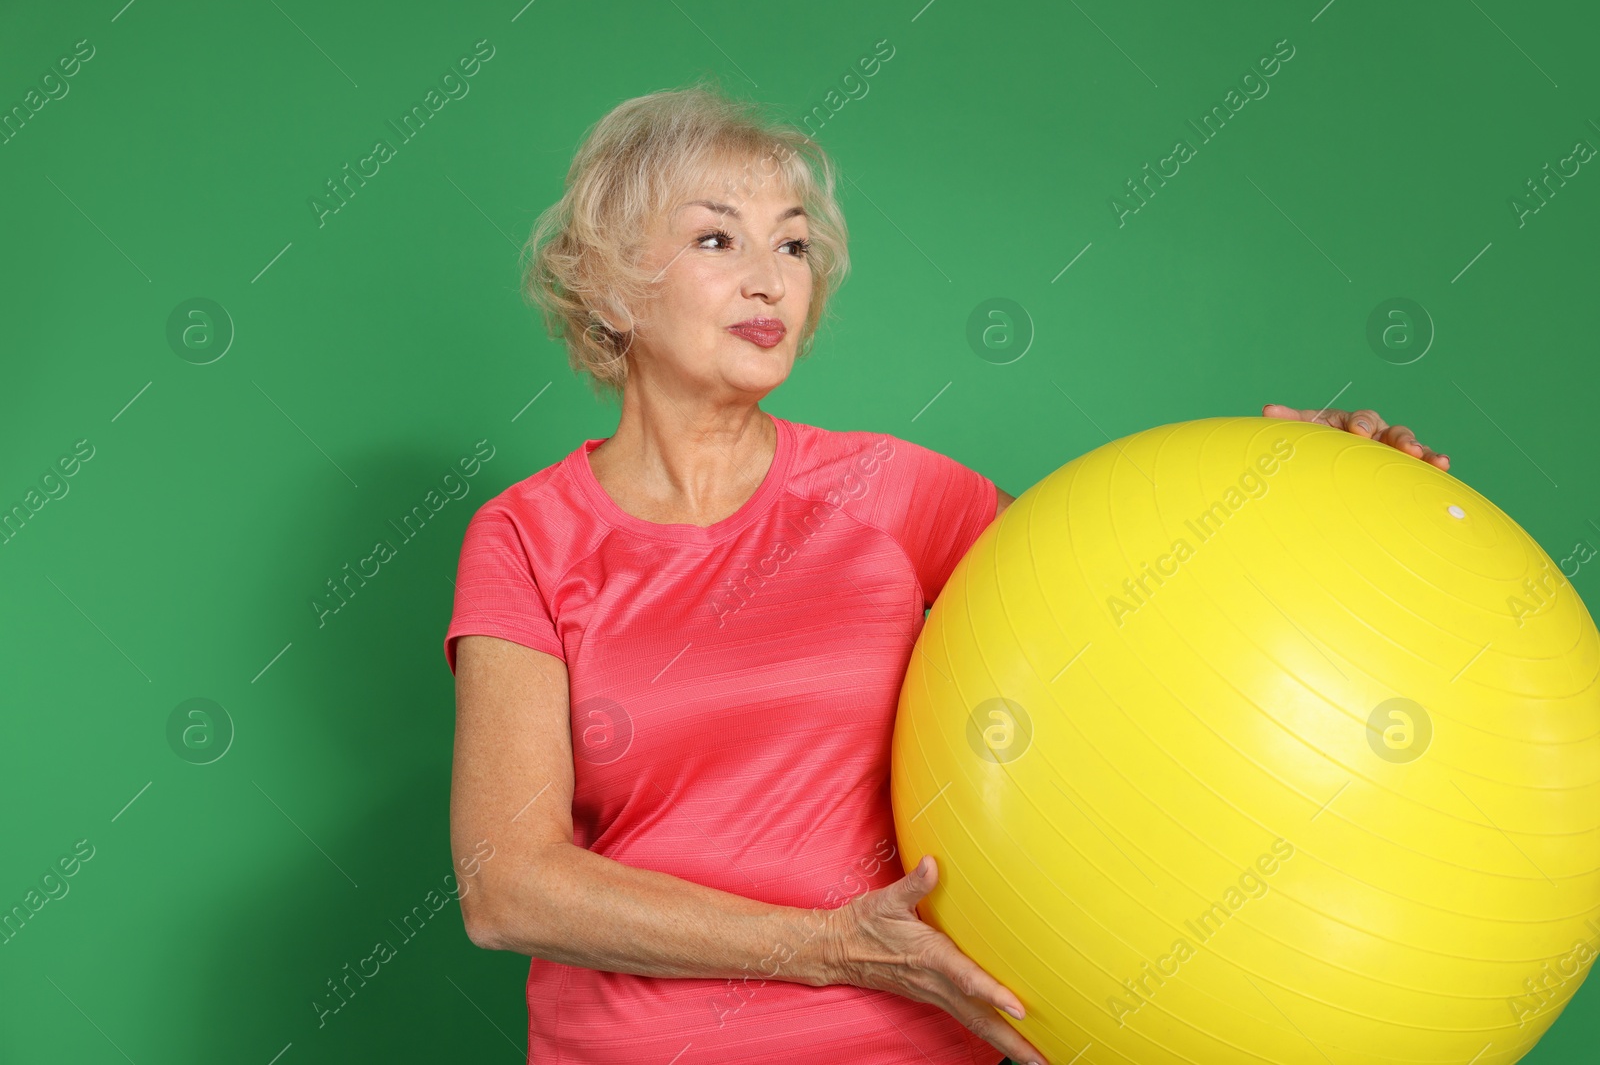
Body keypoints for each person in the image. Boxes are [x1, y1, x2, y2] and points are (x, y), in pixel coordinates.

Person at [441, 81, 1450, 1065]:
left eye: (792, 244)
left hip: (906, 1043)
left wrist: (1284, 480)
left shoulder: (887, 488)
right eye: (717, 238)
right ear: (609, 285)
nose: (770, 278)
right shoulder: (528, 535)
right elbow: (510, 888)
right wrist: (832, 941)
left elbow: (1127, 597)